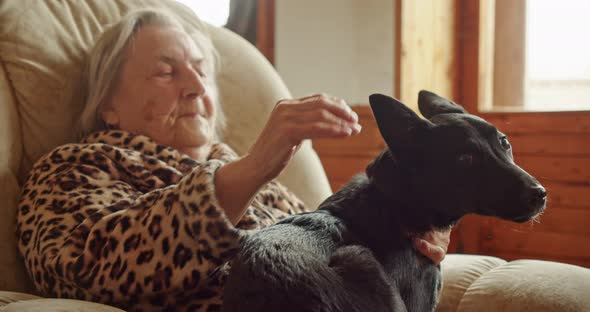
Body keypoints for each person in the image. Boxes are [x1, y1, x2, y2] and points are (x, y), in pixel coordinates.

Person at [15, 9, 451, 311]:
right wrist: (253, 166)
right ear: (107, 103)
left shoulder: (272, 190)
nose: (196, 87)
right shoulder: (72, 168)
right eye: (166, 71)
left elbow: (343, 257)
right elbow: (92, 270)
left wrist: (412, 240)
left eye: (202, 70)